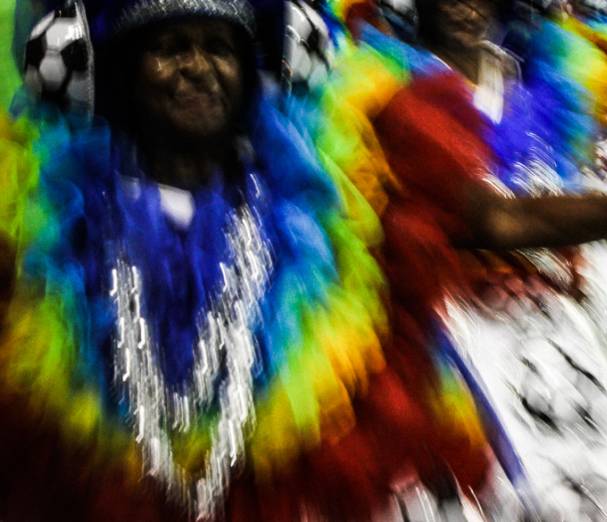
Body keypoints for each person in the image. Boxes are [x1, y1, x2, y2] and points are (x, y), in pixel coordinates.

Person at [0, 0, 492, 520]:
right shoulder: (48, 222)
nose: (197, 67)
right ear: (122, 71)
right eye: (169, 49)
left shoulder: (327, 222)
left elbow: (487, 224)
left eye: (219, 48)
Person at [311, 0, 607, 518]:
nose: (466, 7)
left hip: (551, 317)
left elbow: (550, 188)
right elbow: (499, 221)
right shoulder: (384, 88)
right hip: (443, 332)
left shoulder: (531, 83)